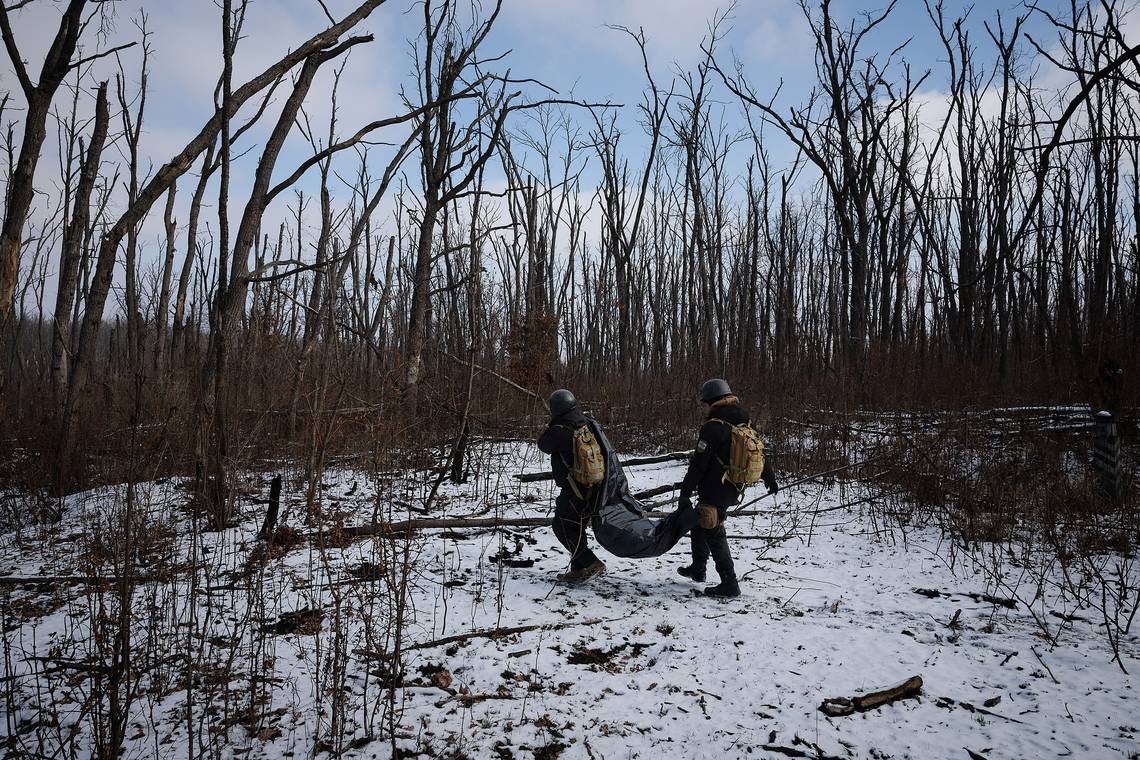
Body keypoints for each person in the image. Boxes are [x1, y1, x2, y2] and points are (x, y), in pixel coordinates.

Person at [677, 378, 778, 598]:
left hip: (715, 488)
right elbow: (759, 451)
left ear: (712, 400)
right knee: (700, 522)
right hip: (732, 485)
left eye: (705, 403)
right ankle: (698, 568)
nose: (705, 407)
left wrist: (684, 494)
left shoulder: (714, 427)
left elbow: (698, 464)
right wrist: (769, 478)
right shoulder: (743, 422)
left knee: (713, 528)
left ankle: (729, 584)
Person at [537, 389, 607, 584]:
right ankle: (578, 569)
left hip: (573, 489)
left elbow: (543, 444)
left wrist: (551, 426)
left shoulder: (560, 428)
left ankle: (590, 562)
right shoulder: (586, 422)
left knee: (561, 526)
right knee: (576, 526)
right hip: (591, 487)